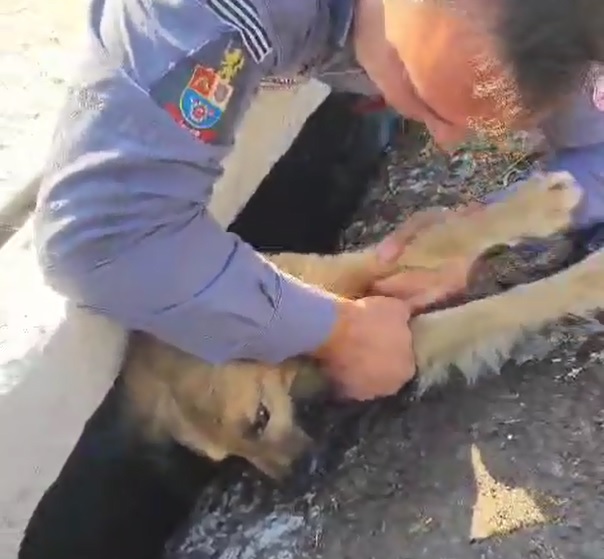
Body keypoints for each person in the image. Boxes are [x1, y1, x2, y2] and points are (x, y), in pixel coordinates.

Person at [32, 0, 604, 401]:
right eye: (416, 87)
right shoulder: (214, 12)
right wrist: (333, 332)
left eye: (480, 125)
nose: (445, 140)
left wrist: (484, 230)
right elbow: (101, 237)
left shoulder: (566, 23)